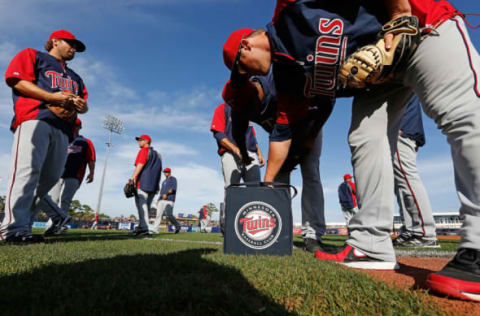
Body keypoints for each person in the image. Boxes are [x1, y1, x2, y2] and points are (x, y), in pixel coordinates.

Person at [224, 0, 480, 300]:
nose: (247, 78)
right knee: (364, 138)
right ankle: (371, 245)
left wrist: (399, 11)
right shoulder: (287, 76)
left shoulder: (290, 10)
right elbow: (282, 134)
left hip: (420, 25)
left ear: (246, 47)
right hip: (382, 71)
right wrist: (268, 183)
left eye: (241, 70)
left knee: (463, 115)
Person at [222, 72, 327, 252]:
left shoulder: (281, 81)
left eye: (248, 110)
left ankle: (313, 234)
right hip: (280, 137)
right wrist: (246, 157)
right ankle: (281, 231)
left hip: (309, 126)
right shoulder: (241, 104)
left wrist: (312, 135)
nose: (247, 114)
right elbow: (241, 134)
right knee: (278, 183)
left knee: (310, 172)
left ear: (257, 95)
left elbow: (325, 101)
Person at [0, 29, 88, 243]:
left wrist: (81, 107)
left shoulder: (75, 77)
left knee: (49, 178)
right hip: (35, 118)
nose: (74, 49)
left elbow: (83, 105)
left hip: (63, 129)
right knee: (26, 172)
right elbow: (16, 81)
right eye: (71, 44)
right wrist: (51, 97)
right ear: (55, 41)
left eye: (76, 47)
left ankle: (23, 226)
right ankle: (12, 229)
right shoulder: (33, 55)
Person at [392, 94, 439, 248]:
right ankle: (410, 230)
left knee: (407, 180)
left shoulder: (399, 75)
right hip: (404, 129)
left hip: (401, 130)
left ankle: (425, 233)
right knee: (400, 186)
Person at [210, 102, 265, 233]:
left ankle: (253, 230)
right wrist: (235, 149)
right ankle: (228, 227)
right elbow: (218, 134)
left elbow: (252, 136)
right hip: (230, 152)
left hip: (250, 153)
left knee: (255, 190)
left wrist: (259, 152)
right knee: (232, 190)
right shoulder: (222, 108)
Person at [42, 118, 96, 235]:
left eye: (75, 125)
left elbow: (91, 159)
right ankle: (54, 223)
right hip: (57, 173)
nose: (72, 127)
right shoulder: (63, 138)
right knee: (53, 199)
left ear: (79, 127)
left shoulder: (86, 142)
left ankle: (58, 225)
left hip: (75, 175)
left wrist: (92, 173)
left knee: (65, 200)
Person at [128, 134, 162, 237]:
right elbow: (159, 171)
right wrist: (158, 184)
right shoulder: (158, 155)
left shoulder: (144, 151)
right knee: (145, 207)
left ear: (146, 141)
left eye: (140, 140)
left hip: (142, 183)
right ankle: (141, 227)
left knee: (141, 207)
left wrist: (132, 178)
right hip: (153, 185)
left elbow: (140, 164)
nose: (139, 142)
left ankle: (144, 229)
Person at [151, 168, 181, 234]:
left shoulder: (173, 179)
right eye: (164, 172)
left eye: (167, 172)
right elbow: (161, 192)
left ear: (170, 172)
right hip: (161, 200)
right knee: (158, 214)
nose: (165, 173)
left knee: (169, 215)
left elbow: (173, 189)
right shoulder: (164, 181)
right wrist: (158, 200)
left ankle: (177, 226)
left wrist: (166, 194)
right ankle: (155, 229)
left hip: (170, 199)